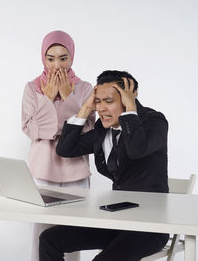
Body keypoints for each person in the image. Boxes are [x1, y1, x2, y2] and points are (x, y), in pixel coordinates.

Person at [39, 70, 169, 261]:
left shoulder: (155, 121)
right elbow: (65, 149)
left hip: (150, 227)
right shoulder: (102, 129)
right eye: (98, 102)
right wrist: (85, 108)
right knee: (50, 239)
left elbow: (136, 149)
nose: (101, 109)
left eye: (109, 101)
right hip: (116, 220)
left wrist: (131, 109)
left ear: (128, 99)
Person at [21, 30, 95, 261]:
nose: (56, 65)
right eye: (50, 58)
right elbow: (30, 129)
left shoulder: (84, 88)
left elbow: (90, 131)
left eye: (63, 58)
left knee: (73, 234)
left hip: (75, 170)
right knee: (39, 233)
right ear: (43, 58)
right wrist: (47, 97)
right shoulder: (32, 88)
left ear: (72, 57)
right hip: (42, 169)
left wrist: (68, 97)